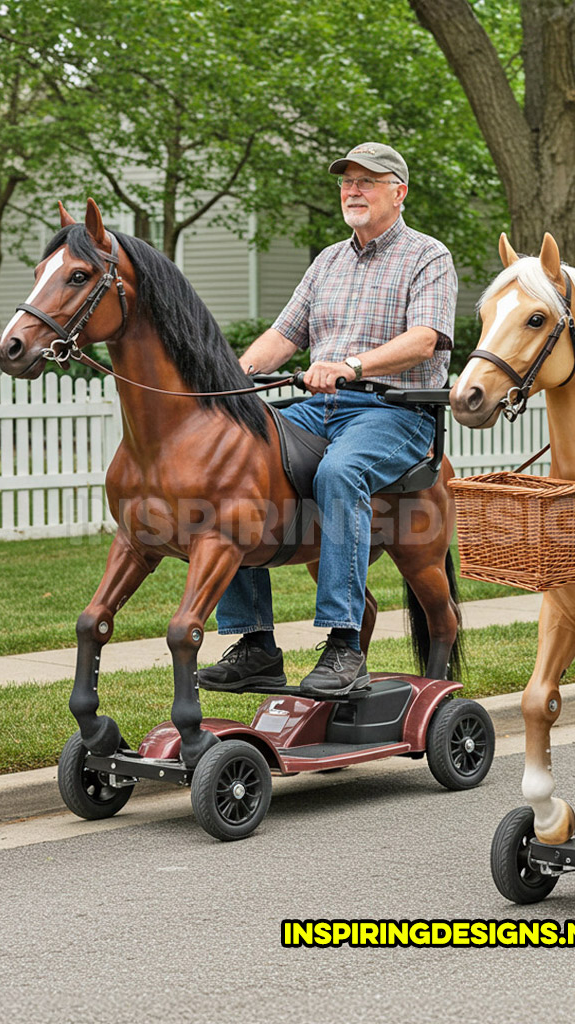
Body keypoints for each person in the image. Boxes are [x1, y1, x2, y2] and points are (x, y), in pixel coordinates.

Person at [198, 142, 457, 697]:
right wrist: (233, 374)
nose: (353, 190)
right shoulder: (328, 261)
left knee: (340, 472)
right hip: (322, 409)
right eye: (346, 182)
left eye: (367, 181)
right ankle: (255, 645)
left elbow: (425, 340)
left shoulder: (427, 256)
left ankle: (344, 645)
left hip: (396, 412)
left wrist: (350, 365)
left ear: (398, 192)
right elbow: (283, 336)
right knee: (234, 463)